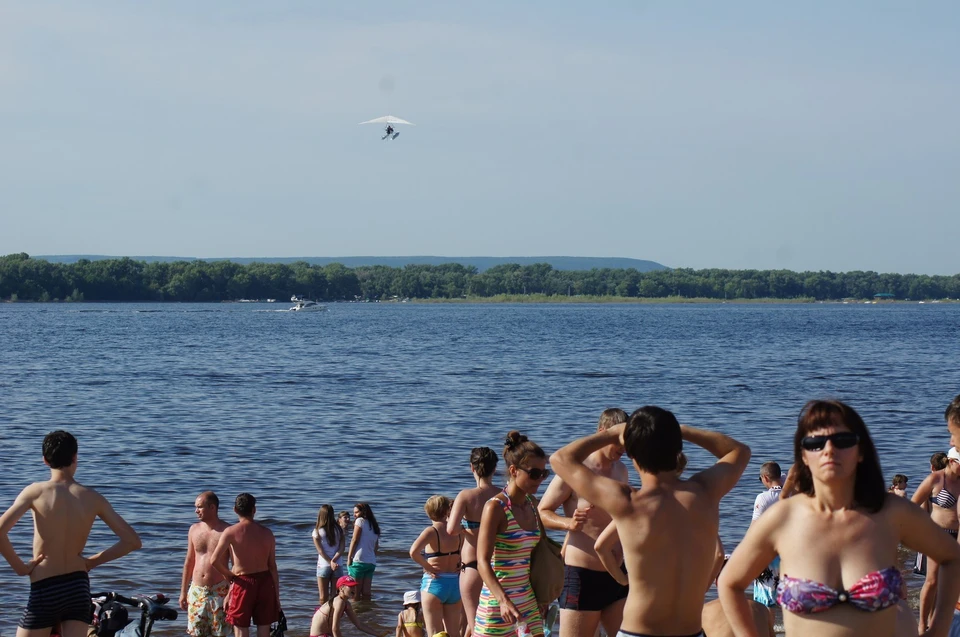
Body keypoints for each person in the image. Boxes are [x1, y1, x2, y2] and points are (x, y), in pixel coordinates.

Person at [719, 399, 960, 637]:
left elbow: (951, 557)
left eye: (843, 441)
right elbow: (730, 583)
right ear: (802, 455)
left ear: (861, 451)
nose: (829, 449)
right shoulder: (783, 518)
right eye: (815, 442)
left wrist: (938, 629)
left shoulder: (891, 511)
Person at [551, 406, 751, 637]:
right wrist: (680, 431)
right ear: (677, 449)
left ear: (631, 453)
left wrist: (611, 433)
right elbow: (739, 450)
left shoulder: (627, 503)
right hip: (691, 632)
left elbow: (560, 459)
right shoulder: (705, 492)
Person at [0, 430, 142, 637]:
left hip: (45, 585)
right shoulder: (92, 497)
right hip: (77, 585)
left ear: (45, 460)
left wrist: (20, 568)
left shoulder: (35, 492)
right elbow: (132, 541)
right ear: (75, 457)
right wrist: (92, 562)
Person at [538, 408, 629, 637]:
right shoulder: (576, 470)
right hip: (581, 576)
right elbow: (542, 512)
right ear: (602, 433)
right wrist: (568, 523)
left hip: (618, 575)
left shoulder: (621, 470)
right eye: (620, 442)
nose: (624, 449)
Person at [475, 431, 551, 637]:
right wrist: (503, 601)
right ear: (513, 470)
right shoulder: (495, 507)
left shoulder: (532, 505)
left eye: (544, 474)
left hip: (528, 601)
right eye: (534, 474)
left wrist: (541, 597)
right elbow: (482, 561)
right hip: (498, 604)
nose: (540, 479)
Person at [447, 447, 501, 637]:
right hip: (499, 566)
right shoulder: (503, 495)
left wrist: (469, 528)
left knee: (475, 624)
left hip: (472, 567)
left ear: (472, 468)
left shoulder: (466, 496)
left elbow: (451, 529)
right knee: (497, 625)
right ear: (495, 469)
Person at [210, 493, 280, 637]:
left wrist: (230, 576)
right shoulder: (267, 533)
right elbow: (272, 566)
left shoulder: (230, 532)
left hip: (243, 582)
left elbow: (214, 560)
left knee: (241, 629)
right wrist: (276, 596)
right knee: (264, 630)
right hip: (265, 582)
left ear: (235, 510)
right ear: (254, 510)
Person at [912, 447, 960, 631]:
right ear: (951, 461)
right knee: (932, 581)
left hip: (958, 536)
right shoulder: (935, 479)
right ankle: (922, 624)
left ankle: (941, 622)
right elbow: (911, 506)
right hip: (937, 534)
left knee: (952, 583)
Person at [411, 495, 463, 637]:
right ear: (447, 510)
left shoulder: (431, 531)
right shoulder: (458, 531)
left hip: (435, 584)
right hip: (455, 583)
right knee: (454, 633)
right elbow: (467, 551)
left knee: (435, 633)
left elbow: (413, 552)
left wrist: (428, 566)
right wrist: (461, 563)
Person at [180, 491, 231, 637]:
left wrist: (232, 592)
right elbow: (189, 561)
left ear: (212, 507)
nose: (196, 511)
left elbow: (236, 566)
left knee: (220, 633)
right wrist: (183, 592)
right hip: (197, 590)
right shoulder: (194, 530)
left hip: (220, 590)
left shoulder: (227, 531)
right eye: (196, 507)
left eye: (200, 507)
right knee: (196, 633)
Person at [310, 575, 388, 637]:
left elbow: (359, 625)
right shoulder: (339, 602)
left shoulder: (346, 603)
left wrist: (378, 634)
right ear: (341, 588)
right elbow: (335, 629)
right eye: (350, 586)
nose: (353, 589)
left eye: (354, 586)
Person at [750, 462, 783, 608]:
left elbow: (754, 529)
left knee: (767, 598)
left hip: (768, 553)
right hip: (788, 551)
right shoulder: (790, 494)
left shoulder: (763, 498)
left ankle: (769, 631)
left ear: (765, 477)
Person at [347, 502, 381, 601]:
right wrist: (372, 555)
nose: (354, 515)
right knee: (366, 593)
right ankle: (367, 613)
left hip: (359, 560)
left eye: (356, 512)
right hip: (371, 562)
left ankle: (356, 613)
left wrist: (349, 557)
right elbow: (376, 545)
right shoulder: (374, 524)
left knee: (355, 593)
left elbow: (354, 540)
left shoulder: (360, 521)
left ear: (363, 512)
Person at [314, 504, 346, 604]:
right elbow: (342, 548)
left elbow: (320, 551)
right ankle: (334, 616)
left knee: (323, 597)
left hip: (324, 565)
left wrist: (329, 562)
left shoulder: (317, 531)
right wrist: (334, 561)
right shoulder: (339, 530)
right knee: (335, 596)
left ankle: (324, 616)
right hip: (337, 565)